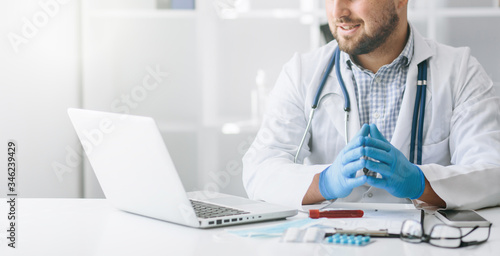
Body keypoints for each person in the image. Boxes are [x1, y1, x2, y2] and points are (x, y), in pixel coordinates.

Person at [242, 0, 500, 210]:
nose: (337, 11)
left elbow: (492, 173)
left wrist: (420, 183)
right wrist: (326, 182)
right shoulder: (302, 73)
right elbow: (259, 169)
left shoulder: (461, 71)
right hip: (332, 244)